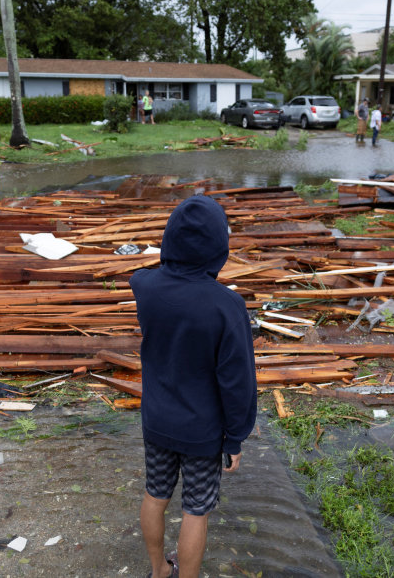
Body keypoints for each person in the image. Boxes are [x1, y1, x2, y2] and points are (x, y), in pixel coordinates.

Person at [130, 195, 257, 578]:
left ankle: (158, 571)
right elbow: (237, 383)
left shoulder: (145, 286)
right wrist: (235, 438)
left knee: (155, 494)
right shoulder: (226, 307)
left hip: (157, 419)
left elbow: (148, 271)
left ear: (170, 240)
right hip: (202, 431)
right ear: (220, 247)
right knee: (195, 509)